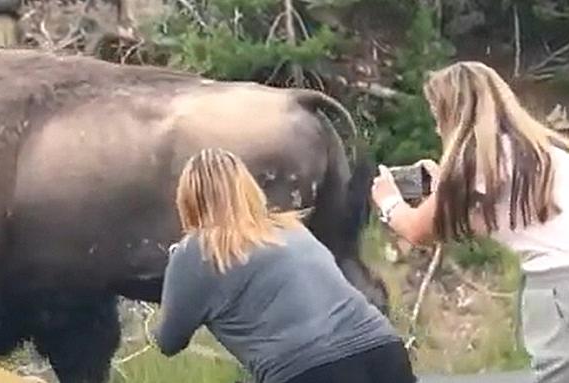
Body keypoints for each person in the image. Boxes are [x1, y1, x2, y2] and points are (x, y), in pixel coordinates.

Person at [370, 61, 569, 383]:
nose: (437, 128)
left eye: (438, 116)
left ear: (451, 112)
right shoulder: (535, 149)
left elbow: (418, 230)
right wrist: (443, 193)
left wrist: (388, 199)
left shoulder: (481, 158)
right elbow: (486, 220)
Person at [151, 148, 417, 383]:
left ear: (187, 198)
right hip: (382, 347)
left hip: (306, 370)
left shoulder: (196, 251)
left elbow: (169, 341)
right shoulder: (291, 227)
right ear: (246, 188)